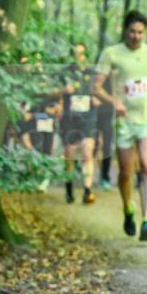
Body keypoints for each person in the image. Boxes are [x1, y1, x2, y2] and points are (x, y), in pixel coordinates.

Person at [94, 11, 147, 241]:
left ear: (145, 32)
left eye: (140, 32)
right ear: (125, 30)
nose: (136, 36)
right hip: (123, 121)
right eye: (132, 32)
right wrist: (114, 102)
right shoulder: (111, 54)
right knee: (125, 171)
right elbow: (96, 87)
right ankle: (128, 208)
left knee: (146, 166)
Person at [59, 43, 99, 204]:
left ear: (86, 56)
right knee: (69, 154)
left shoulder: (93, 74)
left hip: (88, 117)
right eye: (75, 54)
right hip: (70, 118)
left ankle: (87, 190)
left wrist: (98, 98)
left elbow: (103, 92)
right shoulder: (64, 73)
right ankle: (69, 188)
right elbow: (50, 94)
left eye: (81, 54)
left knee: (87, 152)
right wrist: (62, 91)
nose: (78, 57)